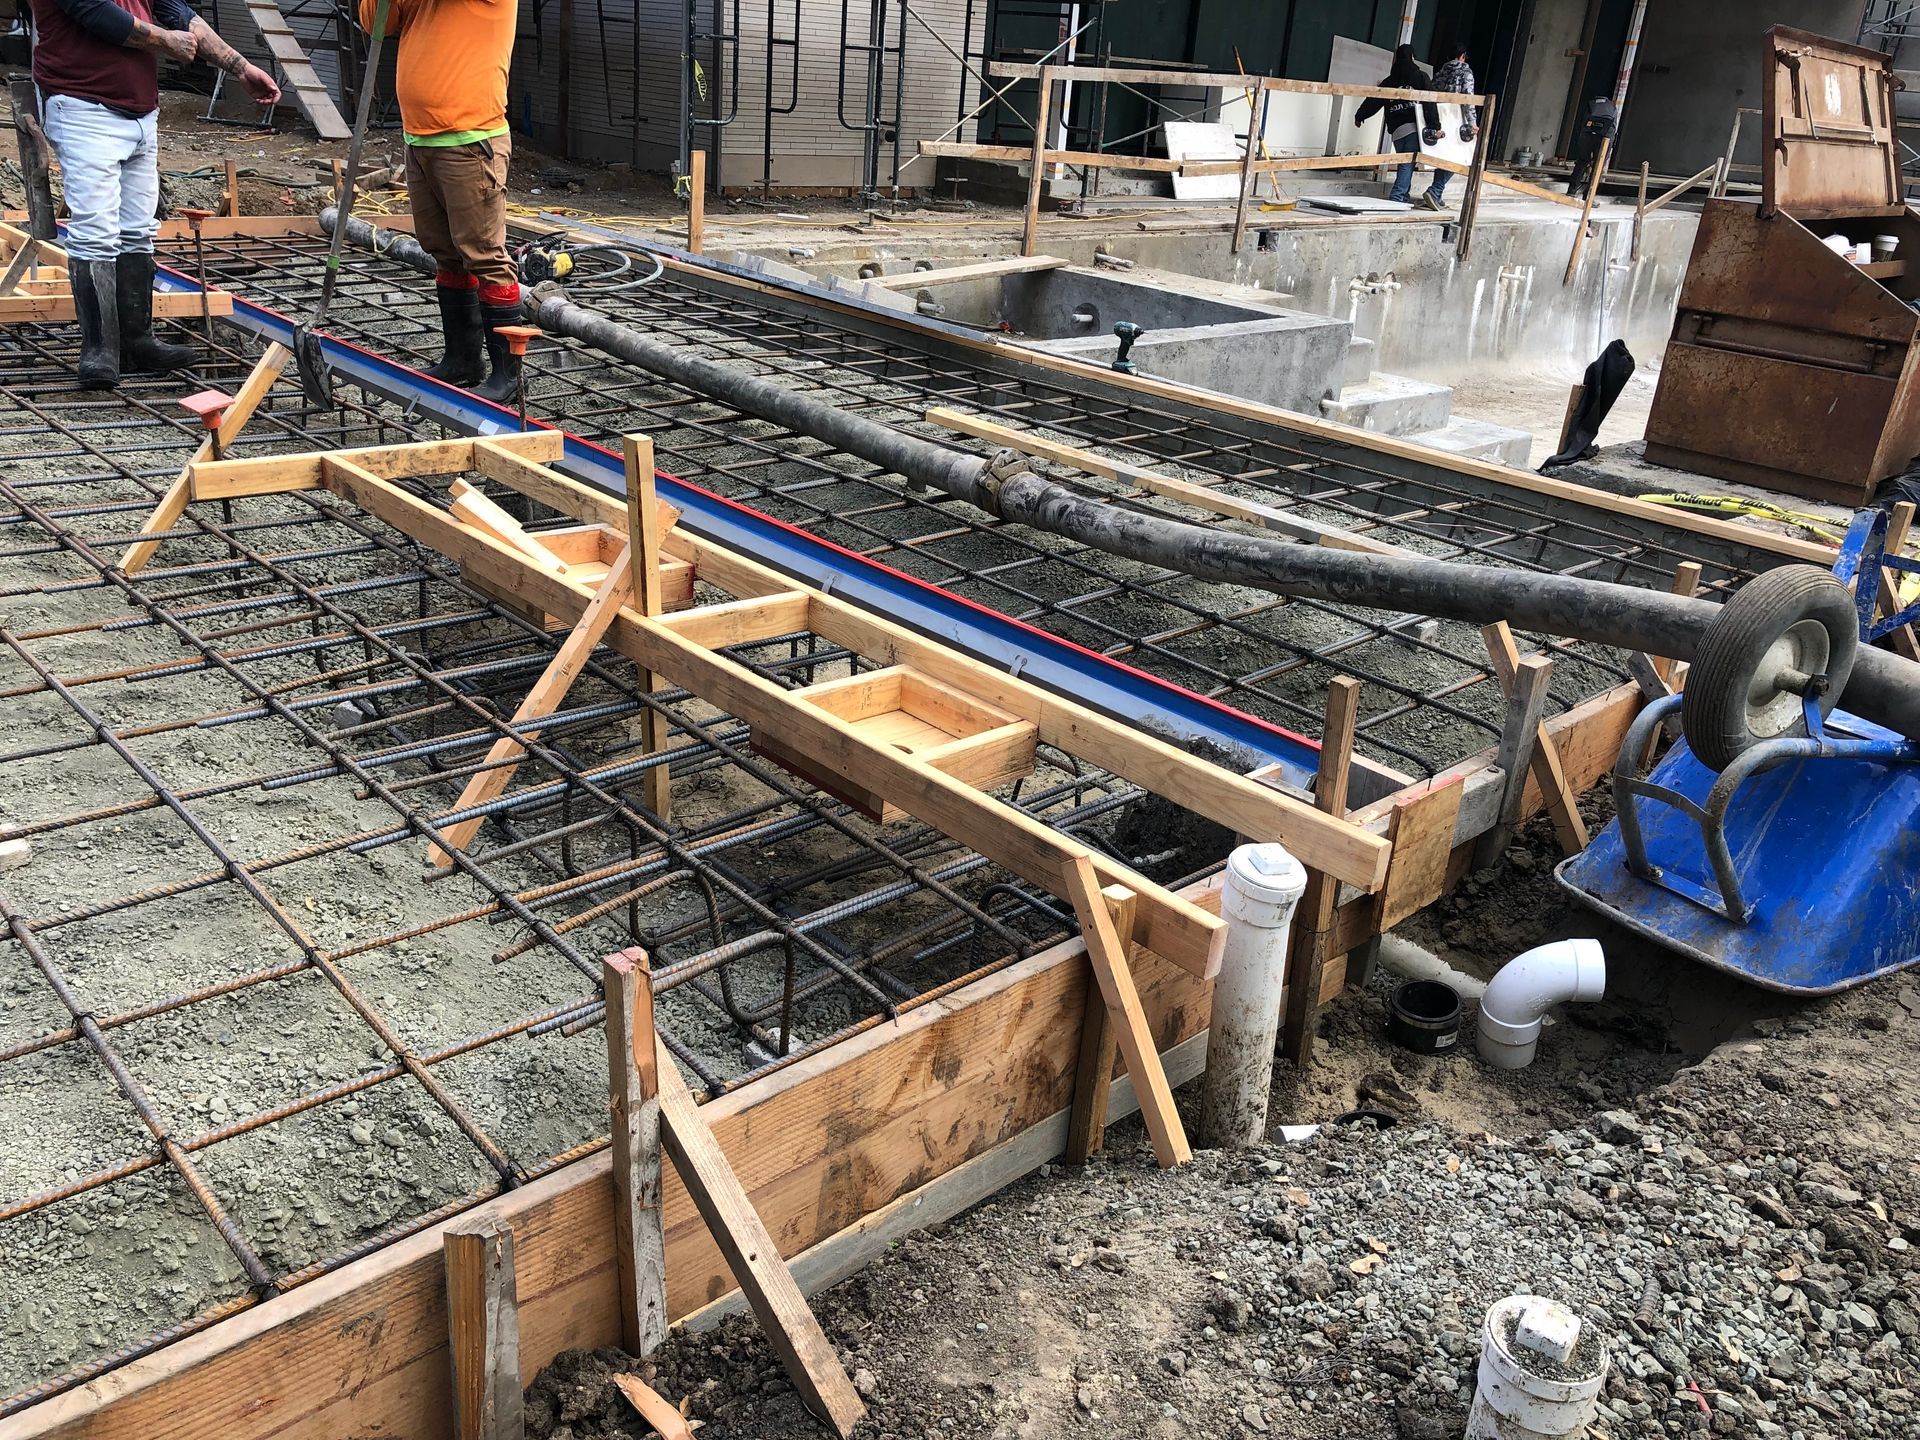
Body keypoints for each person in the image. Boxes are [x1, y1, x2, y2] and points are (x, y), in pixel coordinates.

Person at [26, 0, 279, 388]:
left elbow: (176, 10)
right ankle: (99, 351)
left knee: (137, 229)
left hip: (141, 113)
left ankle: (136, 341)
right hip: (82, 107)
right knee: (96, 231)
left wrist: (240, 67)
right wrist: (166, 42)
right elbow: (95, 12)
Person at [360, 0, 520, 402]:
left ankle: (509, 375)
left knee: (484, 254)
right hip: (421, 139)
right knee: (444, 252)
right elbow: (378, 24)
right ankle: (463, 359)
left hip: (470, 139)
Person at [1354, 45, 1441, 208]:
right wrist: (1434, 126)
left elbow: (1374, 100)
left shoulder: (1389, 81)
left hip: (1396, 131)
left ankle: (1404, 196)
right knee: (1407, 164)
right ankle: (1397, 197)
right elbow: (1430, 103)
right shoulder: (1421, 77)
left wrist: (1360, 116)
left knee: (1406, 162)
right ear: (1413, 58)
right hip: (1413, 128)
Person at [1421, 38, 1479, 211]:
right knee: (1458, 157)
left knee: (1444, 156)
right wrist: (1473, 122)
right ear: (1463, 56)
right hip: (1457, 119)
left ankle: (1437, 195)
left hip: (1441, 118)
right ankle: (1435, 190)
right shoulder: (1465, 72)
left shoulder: (1441, 72)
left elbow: (1432, 92)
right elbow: (1468, 98)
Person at [1566, 95, 1618, 196]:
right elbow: (1613, 128)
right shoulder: (1612, 106)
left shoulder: (1589, 104)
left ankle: (1571, 191)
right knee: (1598, 166)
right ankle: (1589, 196)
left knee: (1582, 161)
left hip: (1587, 134)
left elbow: (1580, 123)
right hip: (1605, 138)